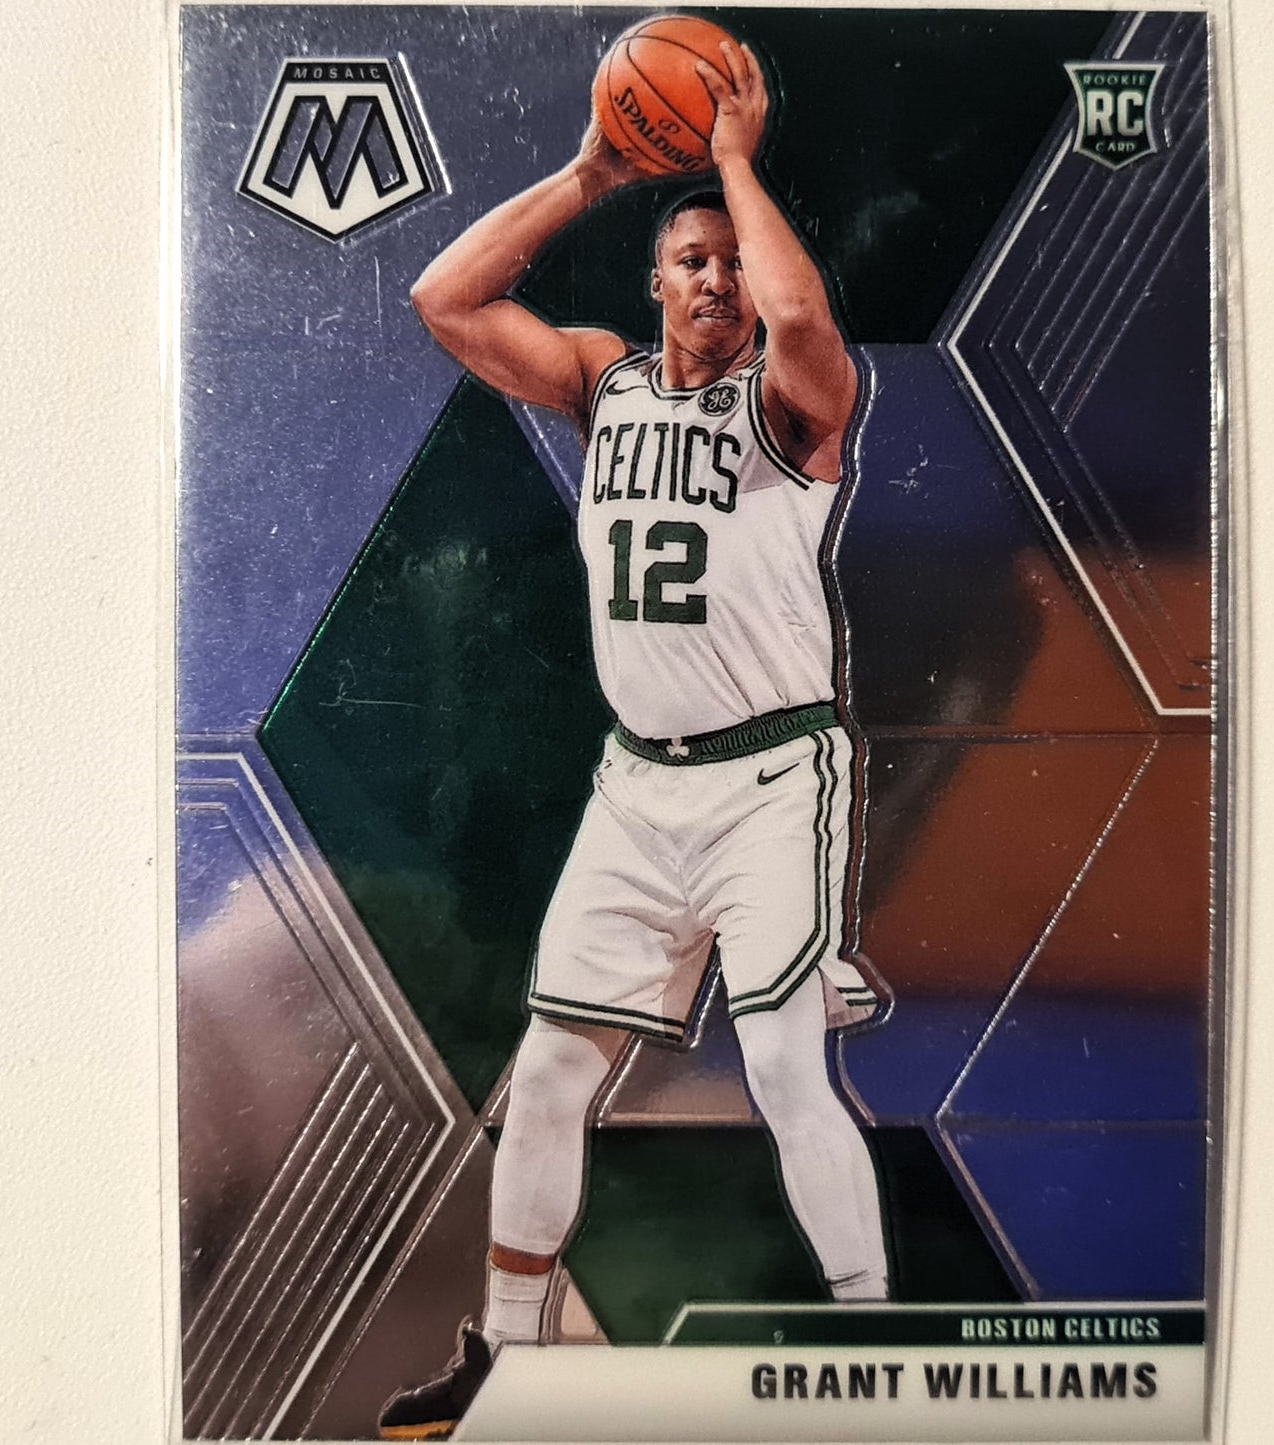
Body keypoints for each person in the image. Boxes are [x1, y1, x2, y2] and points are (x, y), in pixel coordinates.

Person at [378, 41, 889, 1441]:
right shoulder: (602, 385)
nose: (716, 279)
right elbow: (443, 298)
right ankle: (506, 1358)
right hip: (636, 787)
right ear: (653, 283)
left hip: (771, 775)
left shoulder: (790, 408)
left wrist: (729, 160)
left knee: (781, 1068)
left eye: (730, 263)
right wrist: (596, 169)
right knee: (547, 1074)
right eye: (688, 261)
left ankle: (877, 1354)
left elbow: (803, 316)